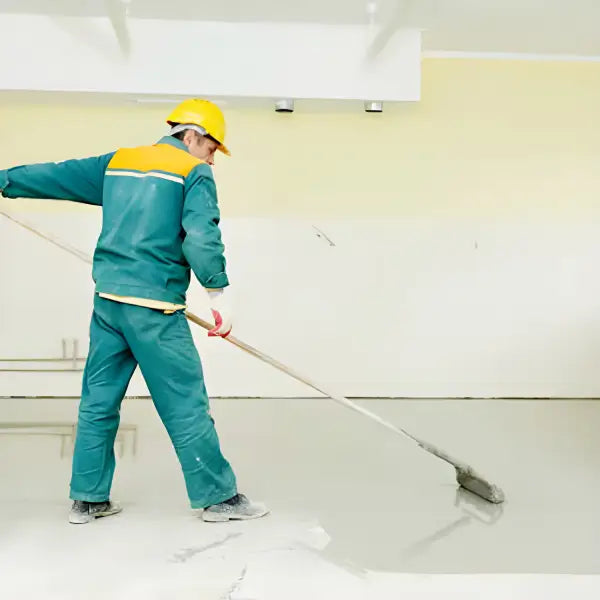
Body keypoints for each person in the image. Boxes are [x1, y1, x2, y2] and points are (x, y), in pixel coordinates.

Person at [0, 98, 268, 524]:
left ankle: (88, 499)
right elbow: (200, 237)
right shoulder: (192, 172)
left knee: (98, 401)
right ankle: (218, 499)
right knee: (185, 402)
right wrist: (219, 296)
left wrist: (4, 181)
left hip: (109, 306)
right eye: (213, 148)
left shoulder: (119, 162)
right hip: (155, 312)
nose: (213, 160)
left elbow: (56, 175)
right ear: (193, 136)